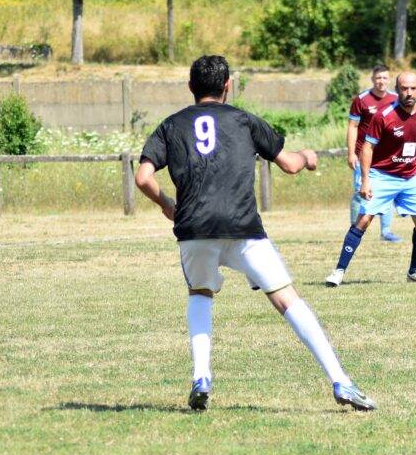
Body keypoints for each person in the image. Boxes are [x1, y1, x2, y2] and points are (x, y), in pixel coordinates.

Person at [135, 55, 376, 412]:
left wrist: (166, 204)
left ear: (190, 87)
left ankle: (202, 376)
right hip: (243, 228)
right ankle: (341, 381)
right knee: (287, 299)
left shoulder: (171, 125)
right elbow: (290, 165)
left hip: (195, 229)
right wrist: (307, 157)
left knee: (200, 292)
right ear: (228, 86)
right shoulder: (244, 120)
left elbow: (143, 178)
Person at [325, 71, 416, 287]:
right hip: (382, 175)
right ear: (397, 90)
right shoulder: (383, 115)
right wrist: (366, 180)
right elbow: (367, 148)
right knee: (364, 219)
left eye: (413, 88)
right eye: (404, 88)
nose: (409, 93)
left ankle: (415, 271)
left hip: (410, 177)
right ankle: (339, 271)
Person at [346, 65, 401, 242]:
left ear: (390, 80)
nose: (381, 81)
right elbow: (353, 127)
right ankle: (354, 230)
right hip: (364, 155)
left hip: (387, 156)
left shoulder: (395, 99)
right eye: (378, 78)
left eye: (385, 78)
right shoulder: (361, 100)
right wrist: (351, 153)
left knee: (387, 193)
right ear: (372, 79)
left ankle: (386, 232)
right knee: (359, 192)